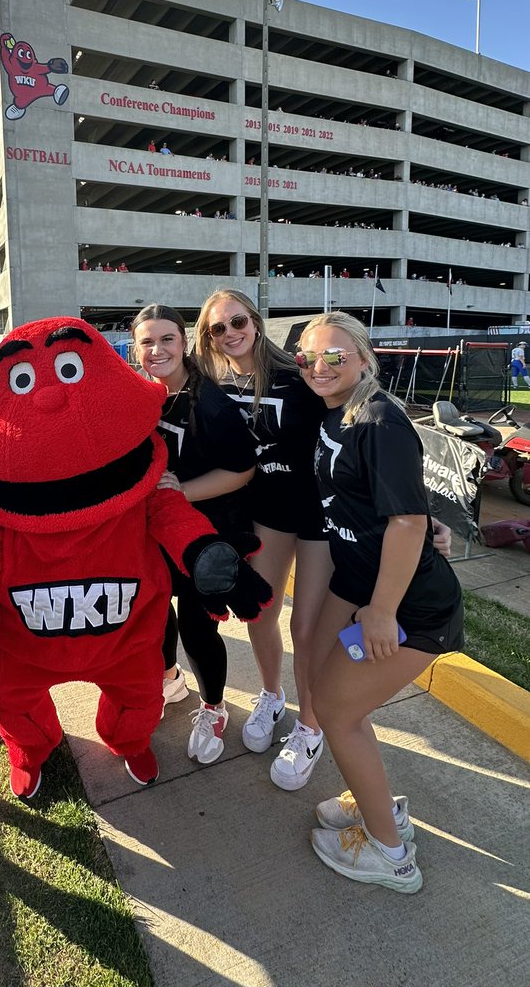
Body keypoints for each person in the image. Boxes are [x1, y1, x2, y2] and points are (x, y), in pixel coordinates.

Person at [297, 312, 463, 892]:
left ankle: (391, 856)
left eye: (334, 355)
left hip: (410, 606)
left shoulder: (378, 420)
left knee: (338, 711)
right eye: (308, 357)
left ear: (365, 359)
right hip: (359, 582)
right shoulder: (335, 412)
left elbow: (406, 520)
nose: (319, 365)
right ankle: (377, 805)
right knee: (326, 691)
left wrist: (383, 611)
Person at [194, 290, 331, 790]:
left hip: (317, 513)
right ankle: (272, 695)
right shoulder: (212, 384)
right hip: (267, 512)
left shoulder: (299, 375)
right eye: (217, 328)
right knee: (262, 611)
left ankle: (310, 725)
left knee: (308, 626)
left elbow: (356, 419)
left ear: (254, 320)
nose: (230, 333)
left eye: (237, 321)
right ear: (206, 337)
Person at [130, 304, 257, 764]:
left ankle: (214, 706)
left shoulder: (211, 404)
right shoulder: (140, 394)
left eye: (167, 339)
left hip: (204, 532)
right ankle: (169, 679)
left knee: (197, 624)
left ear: (184, 343)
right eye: (147, 341)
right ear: (135, 348)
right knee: (155, 607)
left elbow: (243, 470)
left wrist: (183, 489)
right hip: (154, 530)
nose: (157, 349)